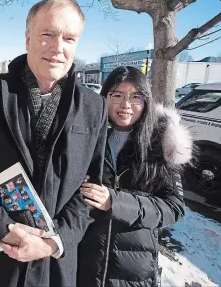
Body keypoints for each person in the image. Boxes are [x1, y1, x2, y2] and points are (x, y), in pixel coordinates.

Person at [0, 0, 108, 287]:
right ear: (28, 40)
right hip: (3, 253)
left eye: (69, 38)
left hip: (57, 263)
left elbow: (91, 188)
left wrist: (54, 242)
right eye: (47, 34)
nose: (57, 48)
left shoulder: (94, 107)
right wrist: (3, 228)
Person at [78, 66, 193, 287]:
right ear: (105, 97)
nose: (126, 105)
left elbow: (174, 208)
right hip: (85, 260)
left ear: (146, 100)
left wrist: (116, 202)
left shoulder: (161, 143)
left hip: (133, 269)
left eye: (135, 97)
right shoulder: (87, 136)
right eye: (117, 95)